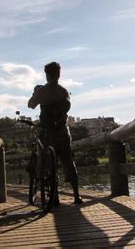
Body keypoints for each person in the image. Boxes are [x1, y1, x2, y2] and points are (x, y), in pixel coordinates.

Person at [28, 62, 83, 204]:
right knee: (69, 162)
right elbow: (66, 109)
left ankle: (54, 197)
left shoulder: (42, 91)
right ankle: (77, 195)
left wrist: (36, 93)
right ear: (59, 74)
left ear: (46, 75)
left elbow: (31, 105)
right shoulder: (64, 92)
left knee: (47, 163)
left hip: (47, 132)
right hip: (62, 131)